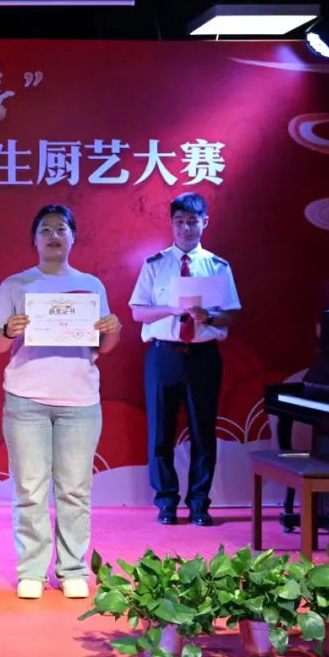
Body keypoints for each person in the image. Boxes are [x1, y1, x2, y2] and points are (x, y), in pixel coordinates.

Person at [0, 205, 122, 600]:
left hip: (79, 401)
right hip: (26, 399)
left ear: (73, 237)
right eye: (45, 229)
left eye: (61, 229)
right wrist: (9, 329)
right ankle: (32, 570)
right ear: (34, 239)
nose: (53, 236)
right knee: (30, 490)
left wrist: (112, 329)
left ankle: (72, 569)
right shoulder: (16, 285)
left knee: (74, 490)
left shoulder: (91, 286)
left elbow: (103, 346)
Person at [129, 192, 240, 527]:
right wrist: (171, 308)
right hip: (163, 354)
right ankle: (166, 502)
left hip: (203, 356)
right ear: (172, 224)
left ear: (205, 222)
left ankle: (199, 503)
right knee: (160, 432)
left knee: (203, 432)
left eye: (193, 221)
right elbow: (137, 312)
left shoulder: (218, 266)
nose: (186, 228)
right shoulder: (155, 264)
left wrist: (208, 315)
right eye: (179, 221)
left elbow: (232, 315)